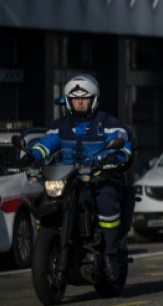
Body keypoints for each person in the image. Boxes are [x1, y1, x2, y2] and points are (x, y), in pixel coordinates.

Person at [27, 74, 133, 281]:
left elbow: (123, 144)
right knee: (42, 205)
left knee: (106, 204)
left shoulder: (109, 123)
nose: (80, 102)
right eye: (75, 99)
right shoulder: (60, 126)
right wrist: (32, 156)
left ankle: (110, 254)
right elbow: (46, 143)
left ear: (93, 99)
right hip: (67, 178)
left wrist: (113, 157)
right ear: (68, 101)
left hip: (99, 177)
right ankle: (44, 248)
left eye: (84, 98)